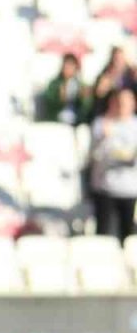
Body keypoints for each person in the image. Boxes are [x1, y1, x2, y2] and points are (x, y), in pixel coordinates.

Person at [89, 88, 137, 241]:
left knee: (128, 236)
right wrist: (103, 137)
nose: (122, 105)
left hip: (129, 190)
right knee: (103, 236)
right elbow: (93, 155)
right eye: (119, 102)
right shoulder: (101, 124)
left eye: (127, 102)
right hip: (105, 188)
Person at [41, 53, 94, 127]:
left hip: (76, 121)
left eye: (72, 66)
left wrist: (82, 97)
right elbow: (49, 103)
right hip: (57, 120)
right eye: (67, 66)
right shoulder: (54, 84)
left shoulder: (79, 84)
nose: (69, 69)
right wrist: (60, 98)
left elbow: (86, 108)